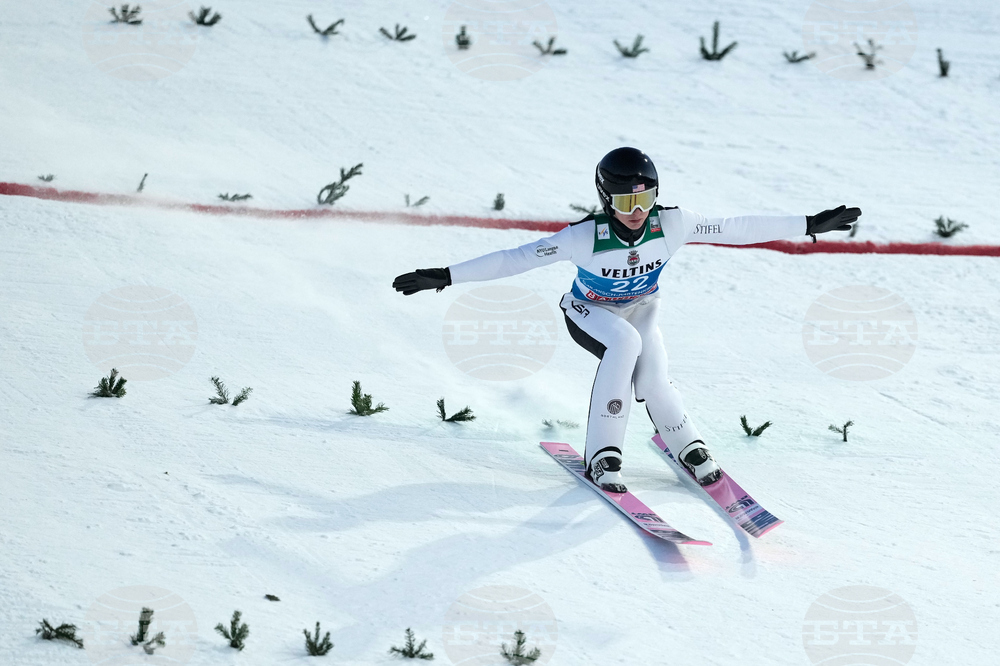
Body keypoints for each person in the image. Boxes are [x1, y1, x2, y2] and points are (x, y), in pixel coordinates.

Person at [393, 147, 860, 493]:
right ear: (604, 198)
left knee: (655, 377)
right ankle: (603, 452)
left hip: (641, 312)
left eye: (646, 200)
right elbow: (515, 259)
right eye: (625, 203)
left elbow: (737, 228)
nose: (637, 213)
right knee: (626, 345)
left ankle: (686, 444)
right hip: (588, 314)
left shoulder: (674, 224)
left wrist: (807, 224)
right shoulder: (583, 238)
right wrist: (447, 276)